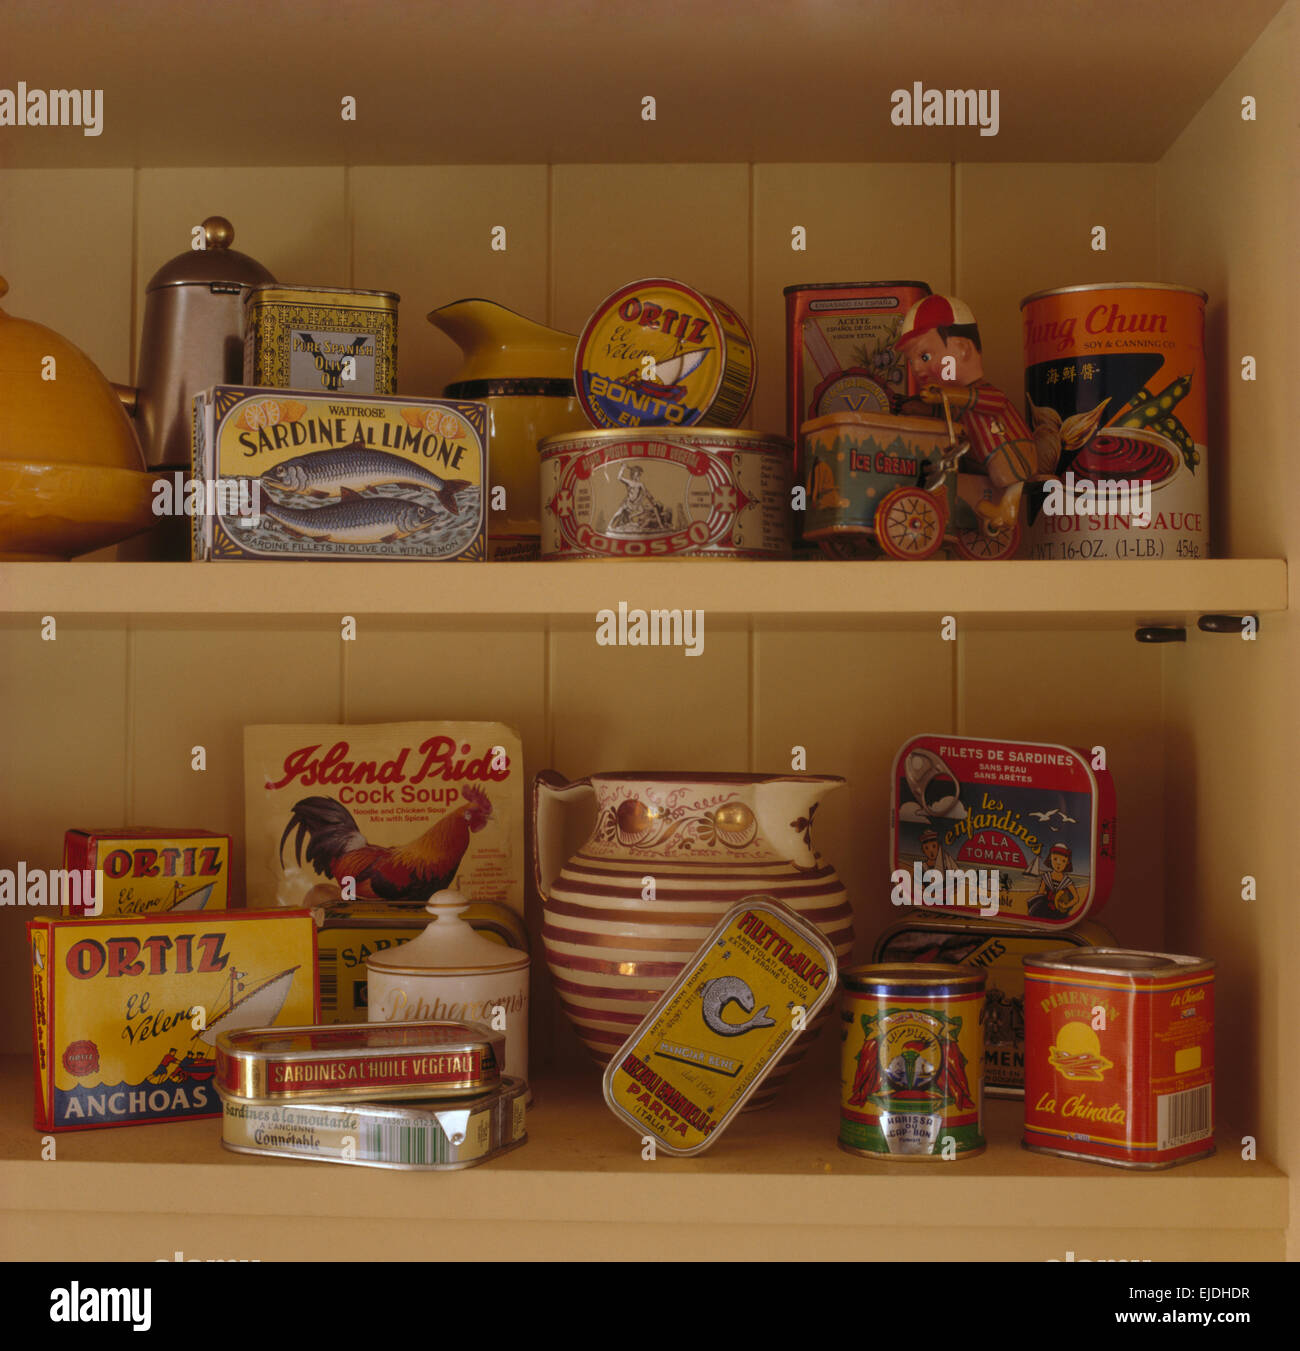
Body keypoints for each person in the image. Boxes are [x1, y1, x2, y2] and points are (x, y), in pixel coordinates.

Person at [895, 294, 1037, 533]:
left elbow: (995, 402)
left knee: (1004, 466)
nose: (917, 368)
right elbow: (943, 411)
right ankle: (977, 512)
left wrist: (945, 395)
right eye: (911, 362)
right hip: (976, 463)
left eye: (925, 356)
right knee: (954, 481)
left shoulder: (983, 392)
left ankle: (1009, 508)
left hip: (1010, 451)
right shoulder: (949, 399)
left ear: (962, 349)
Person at [1028, 844, 1080, 919]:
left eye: (1063, 861)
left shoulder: (1066, 881)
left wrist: (1066, 905)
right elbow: (1040, 894)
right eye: (1055, 859)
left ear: (1067, 863)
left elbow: (1076, 898)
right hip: (1045, 909)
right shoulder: (1046, 877)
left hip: (1059, 911)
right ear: (1050, 859)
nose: (1058, 863)